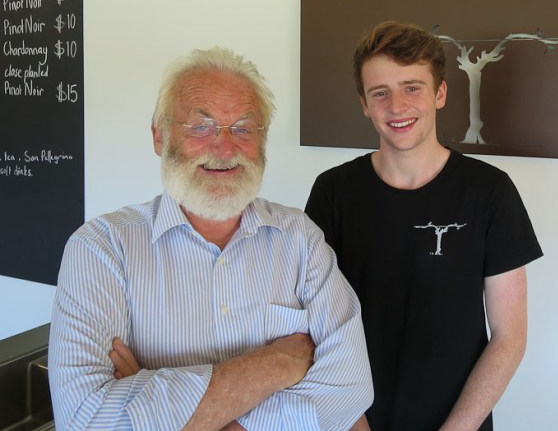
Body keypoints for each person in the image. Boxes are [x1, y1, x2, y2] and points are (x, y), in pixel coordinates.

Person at [49, 47, 373, 431]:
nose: (224, 147)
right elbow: (85, 420)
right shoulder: (101, 249)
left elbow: (349, 388)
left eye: (243, 128)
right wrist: (276, 364)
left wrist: (164, 402)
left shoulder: (300, 239)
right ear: (159, 136)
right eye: (201, 127)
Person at [305, 22, 543, 431]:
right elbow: (314, 326)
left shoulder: (489, 191)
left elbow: (509, 338)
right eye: (380, 92)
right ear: (364, 104)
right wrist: (352, 423)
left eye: (412, 87)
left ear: (440, 93)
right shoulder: (333, 192)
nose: (397, 106)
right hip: (350, 420)